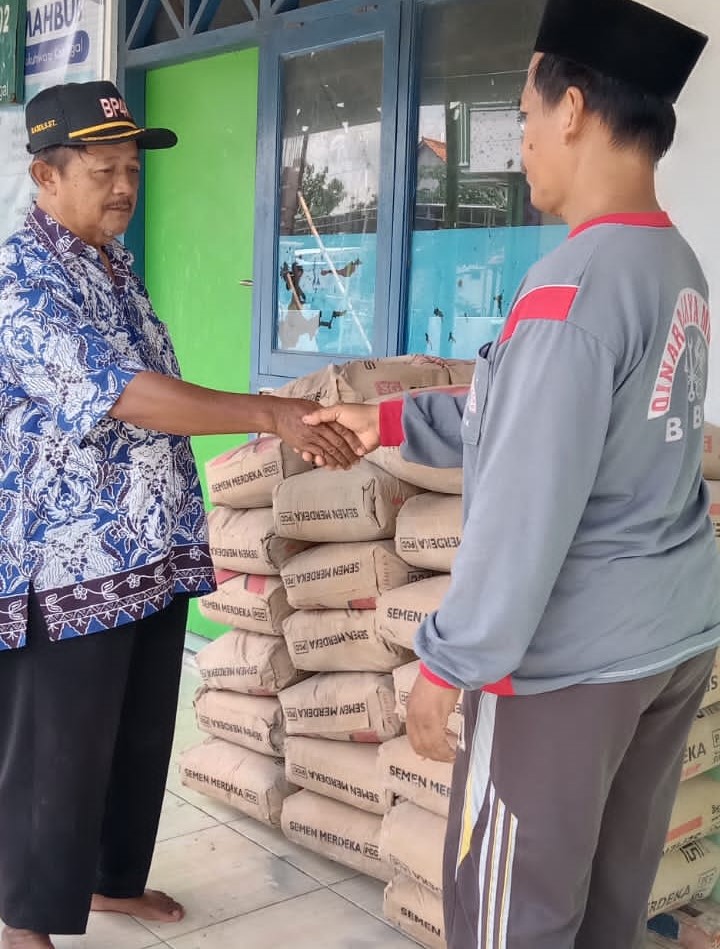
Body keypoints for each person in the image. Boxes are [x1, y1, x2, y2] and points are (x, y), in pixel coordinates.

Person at [305, 1, 719, 946]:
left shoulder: (569, 289)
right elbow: (541, 415)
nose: (521, 140)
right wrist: (383, 419)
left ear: (572, 110)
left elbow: (524, 510)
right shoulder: (672, 261)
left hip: (571, 665)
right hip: (671, 637)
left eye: (525, 116)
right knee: (609, 904)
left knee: (511, 918)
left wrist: (448, 663)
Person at [0, 80, 363, 949]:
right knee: (57, 748)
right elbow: (124, 393)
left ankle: (111, 880)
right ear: (46, 176)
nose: (125, 186)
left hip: (149, 549)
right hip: (71, 563)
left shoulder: (109, 265)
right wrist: (269, 412)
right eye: (103, 171)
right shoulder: (23, 280)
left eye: (132, 169)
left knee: (135, 734)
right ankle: (23, 921)